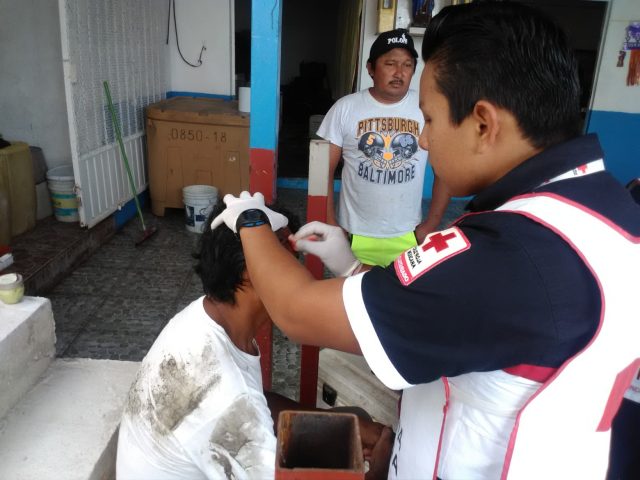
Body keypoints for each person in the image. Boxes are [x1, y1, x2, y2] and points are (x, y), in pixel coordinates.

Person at [211, 2, 640, 478]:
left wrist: (251, 218)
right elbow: (455, 318)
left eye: (430, 120)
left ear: (483, 124)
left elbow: (297, 312)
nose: (425, 141)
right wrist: (351, 266)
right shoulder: (604, 207)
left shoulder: (509, 255)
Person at [317, 28, 450, 267]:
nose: (399, 73)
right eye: (390, 64)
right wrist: (332, 223)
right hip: (353, 232)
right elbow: (322, 170)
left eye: (407, 65)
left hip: (408, 233)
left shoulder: (427, 108)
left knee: (402, 290)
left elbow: (445, 169)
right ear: (370, 68)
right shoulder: (345, 108)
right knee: (352, 289)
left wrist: (431, 224)